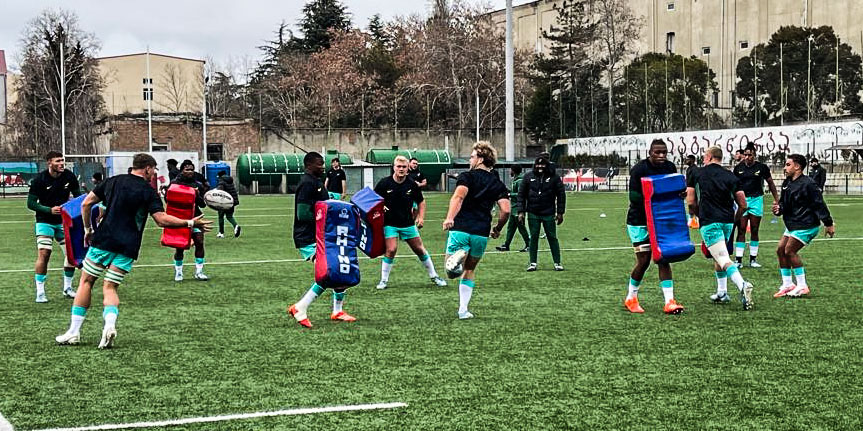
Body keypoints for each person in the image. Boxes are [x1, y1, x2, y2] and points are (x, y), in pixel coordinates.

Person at [55, 153, 212, 348]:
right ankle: (109, 326)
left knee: (86, 282)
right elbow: (162, 219)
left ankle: (74, 332)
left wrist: (88, 230)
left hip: (104, 240)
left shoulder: (113, 181)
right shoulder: (148, 191)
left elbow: (86, 204)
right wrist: (189, 222)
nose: (154, 173)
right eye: (153, 170)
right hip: (129, 246)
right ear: (147, 168)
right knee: (110, 286)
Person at [442, 142, 510, 319]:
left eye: (472, 156)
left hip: (461, 228)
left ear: (480, 159)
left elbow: (458, 197)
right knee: (470, 270)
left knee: (450, 272)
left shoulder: (467, 177)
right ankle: (463, 310)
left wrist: (449, 217)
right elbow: (506, 210)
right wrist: (497, 228)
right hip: (481, 232)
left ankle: (459, 256)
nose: (469, 160)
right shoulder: (498, 184)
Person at [287, 152, 356, 328]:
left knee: (340, 267)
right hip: (308, 237)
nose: (322, 166)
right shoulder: (307, 183)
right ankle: (300, 307)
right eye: (319, 164)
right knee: (329, 272)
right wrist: (326, 219)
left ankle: (337, 311)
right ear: (309, 165)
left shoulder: (317, 182)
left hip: (323, 235)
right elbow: (302, 214)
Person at [686, 146, 755, 310]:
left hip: (710, 221)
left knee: (723, 258)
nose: (703, 159)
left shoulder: (696, 173)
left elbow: (690, 201)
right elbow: (743, 205)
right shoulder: (731, 176)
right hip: (727, 222)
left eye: (704, 156)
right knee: (719, 256)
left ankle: (742, 284)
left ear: (709, 157)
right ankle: (722, 292)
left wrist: (697, 214)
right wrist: (734, 219)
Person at [622, 140, 684, 314]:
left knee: (664, 258)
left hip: (660, 220)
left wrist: (680, 193)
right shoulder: (639, 170)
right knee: (644, 261)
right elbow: (634, 197)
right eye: (657, 152)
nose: (662, 156)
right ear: (650, 152)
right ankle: (631, 298)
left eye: (664, 152)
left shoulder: (670, 167)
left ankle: (669, 301)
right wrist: (655, 196)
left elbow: (674, 191)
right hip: (639, 221)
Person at [374, 155, 448, 289]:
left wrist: (421, 217)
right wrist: (380, 207)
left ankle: (434, 276)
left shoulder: (412, 184)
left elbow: (421, 201)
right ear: (394, 167)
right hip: (389, 224)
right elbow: (373, 199)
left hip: (408, 224)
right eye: (398, 166)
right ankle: (383, 280)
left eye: (404, 167)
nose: (401, 169)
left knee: (420, 249)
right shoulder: (384, 183)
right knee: (391, 250)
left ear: (408, 168)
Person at [772, 154, 835, 298]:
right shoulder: (787, 182)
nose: (784, 167)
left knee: (789, 251)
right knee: (780, 250)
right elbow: (784, 204)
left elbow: (819, 204)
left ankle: (802, 285)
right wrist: (779, 210)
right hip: (793, 224)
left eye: (788, 164)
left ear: (797, 166)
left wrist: (828, 223)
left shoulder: (808, 184)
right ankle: (788, 284)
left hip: (806, 224)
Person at [27, 151, 82, 303]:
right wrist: (49, 210)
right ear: (49, 163)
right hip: (44, 221)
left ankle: (68, 288)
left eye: (62, 161)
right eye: (58, 161)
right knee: (45, 253)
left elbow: (78, 198)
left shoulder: (69, 176)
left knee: (71, 255)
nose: (61, 164)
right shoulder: (39, 180)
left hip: (64, 221)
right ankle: (40, 291)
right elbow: (30, 203)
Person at [732, 143, 779, 268]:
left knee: (754, 229)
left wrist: (776, 199)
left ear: (754, 155)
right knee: (741, 229)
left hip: (756, 199)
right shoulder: (738, 168)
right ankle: (738, 260)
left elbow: (770, 183)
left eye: (750, 155)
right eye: (746, 155)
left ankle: (753, 260)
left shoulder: (762, 167)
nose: (748, 157)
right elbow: (733, 186)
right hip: (742, 201)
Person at [518, 156, 566, 272]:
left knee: (552, 237)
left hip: (548, 212)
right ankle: (533, 263)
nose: (540, 167)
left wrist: (560, 212)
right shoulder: (528, 176)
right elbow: (521, 195)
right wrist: (521, 211)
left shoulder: (554, 177)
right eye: (538, 165)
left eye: (543, 165)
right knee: (533, 237)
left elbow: (561, 195)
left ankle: (557, 262)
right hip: (533, 212)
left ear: (547, 165)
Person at [170, 160, 209, 281]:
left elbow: (203, 205)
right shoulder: (174, 183)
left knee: (199, 242)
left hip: (195, 217)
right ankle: (179, 272)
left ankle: (199, 271)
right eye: (187, 169)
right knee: (180, 246)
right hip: (180, 218)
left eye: (192, 169)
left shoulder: (197, 184)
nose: (190, 172)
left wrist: (196, 195)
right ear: (182, 170)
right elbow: (169, 201)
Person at [495, 164, 529, 252]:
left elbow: (522, 194)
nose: (510, 171)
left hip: (519, 207)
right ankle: (506, 245)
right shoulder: (516, 180)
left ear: (513, 171)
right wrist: (508, 191)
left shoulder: (520, 181)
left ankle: (529, 245)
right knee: (510, 228)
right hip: (513, 207)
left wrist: (510, 194)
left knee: (521, 228)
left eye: (510, 170)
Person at [215, 170, 241, 238]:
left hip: (224, 201)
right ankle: (236, 226)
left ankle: (221, 233)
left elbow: (220, 191)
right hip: (232, 201)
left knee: (221, 216)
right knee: (229, 216)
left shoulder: (221, 181)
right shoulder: (229, 180)